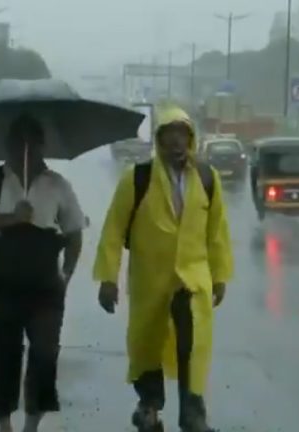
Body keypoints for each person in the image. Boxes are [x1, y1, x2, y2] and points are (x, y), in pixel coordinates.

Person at [92, 106, 233, 432]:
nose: (176, 143)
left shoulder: (207, 179)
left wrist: (220, 275)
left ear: (191, 139)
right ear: (158, 141)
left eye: (182, 136)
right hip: (150, 281)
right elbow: (113, 230)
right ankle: (149, 406)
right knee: (147, 343)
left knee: (193, 345)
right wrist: (107, 278)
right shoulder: (137, 179)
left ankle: (193, 414)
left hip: (193, 279)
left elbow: (217, 232)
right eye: (169, 137)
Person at [0, 114, 85, 432]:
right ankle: (4, 424)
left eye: (31, 141)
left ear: (42, 145)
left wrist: (66, 275)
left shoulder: (57, 185)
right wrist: (10, 219)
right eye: (17, 141)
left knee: (44, 355)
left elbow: (74, 232)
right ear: (8, 144)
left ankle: (32, 425)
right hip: (0, 285)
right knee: (0, 356)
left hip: (44, 289)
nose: (24, 148)